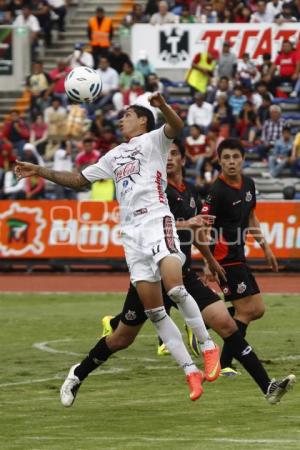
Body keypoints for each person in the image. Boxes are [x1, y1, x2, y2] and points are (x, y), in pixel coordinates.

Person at [15, 96, 221, 404]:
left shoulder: (155, 141)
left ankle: (207, 347)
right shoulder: (114, 155)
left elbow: (176, 125)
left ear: (142, 121)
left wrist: (162, 104)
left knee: (175, 288)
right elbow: (77, 180)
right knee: (154, 311)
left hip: (156, 219)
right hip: (131, 234)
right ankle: (190, 371)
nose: (121, 119)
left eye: (127, 115)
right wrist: (39, 170)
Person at [100, 141, 295, 404]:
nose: (169, 159)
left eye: (174, 154)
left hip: (184, 274)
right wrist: (208, 252)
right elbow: (147, 224)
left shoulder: (191, 191)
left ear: (183, 159)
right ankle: (81, 370)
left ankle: (266, 386)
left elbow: (199, 230)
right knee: (123, 337)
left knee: (228, 322)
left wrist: (208, 258)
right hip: (153, 273)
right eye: (164, 155)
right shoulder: (155, 191)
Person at [200, 138, 280, 375]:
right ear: (219, 161)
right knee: (246, 310)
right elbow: (204, 227)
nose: (231, 162)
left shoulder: (249, 184)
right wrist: (207, 261)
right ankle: (223, 364)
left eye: (235, 157)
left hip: (239, 255)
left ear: (243, 159)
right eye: (226, 158)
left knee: (257, 309)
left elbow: (251, 218)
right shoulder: (217, 191)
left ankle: (207, 320)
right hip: (224, 258)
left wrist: (265, 247)